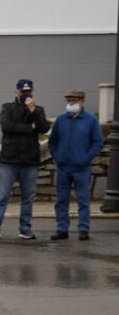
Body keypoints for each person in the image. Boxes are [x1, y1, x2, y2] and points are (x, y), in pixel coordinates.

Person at [0, 79, 50, 241]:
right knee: (2, 195)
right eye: (22, 92)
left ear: (32, 93)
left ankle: (25, 229)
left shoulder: (38, 110)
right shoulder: (7, 107)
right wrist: (29, 128)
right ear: (16, 92)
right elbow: (6, 126)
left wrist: (32, 111)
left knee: (28, 196)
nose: (25, 95)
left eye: (28, 92)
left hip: (30, 160)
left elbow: (44, 128)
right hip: (9, 159)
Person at [48, 89, 103, 241]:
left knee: (83, 200)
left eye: (74, 101)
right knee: (61, 200)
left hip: (82, 168)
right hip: (63, 167)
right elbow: (52, 141)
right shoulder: (61, 120)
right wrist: (57, 157)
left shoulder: (90, 120)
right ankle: (62, 229)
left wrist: (85, 159)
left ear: (82, 101)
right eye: (69, 101)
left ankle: (83, 229)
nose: (70, 103)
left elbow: (98, 143)